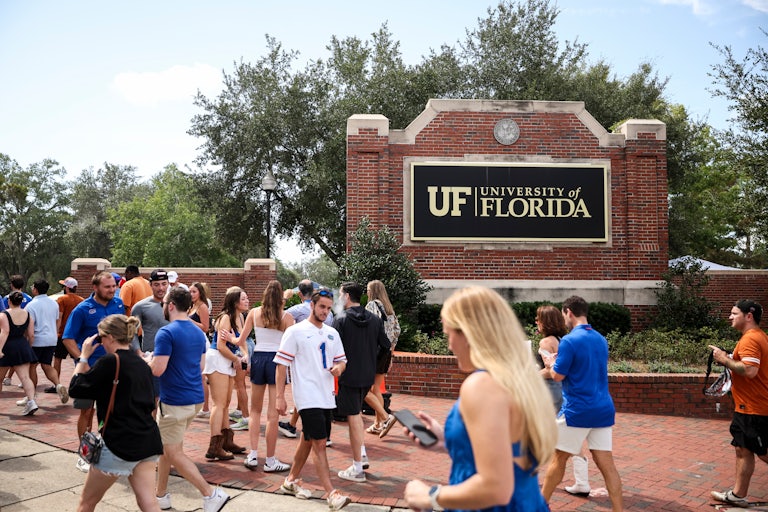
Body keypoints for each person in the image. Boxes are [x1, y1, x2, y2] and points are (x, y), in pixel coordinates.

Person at [403, 286, 556, 511]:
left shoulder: (481, 385)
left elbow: (496, 487)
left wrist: (430, 496)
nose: (449, 345)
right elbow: (504, 452)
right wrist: (447, 441)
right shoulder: (516, 381)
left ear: (468, 333)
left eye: (449, 334)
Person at [68, 314, 163, 512]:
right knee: (149, 503)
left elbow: (76, 388)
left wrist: (83, 356)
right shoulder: (143, 364)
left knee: (87, 502)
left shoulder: (109, 362)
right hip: (147, 440)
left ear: (110, 337)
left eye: (101, 337)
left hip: (118, 443)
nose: (100, 342)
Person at [540, 295, 624, 512]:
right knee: (608, 467)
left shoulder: (569, 340)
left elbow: (557, 376)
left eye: (563, 314)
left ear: (568, 311)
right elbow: (586, 367)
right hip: (603, 409)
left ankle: (540, 505)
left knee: (559, 459)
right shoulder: (600, 339)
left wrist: (550, 364)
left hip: (577, 410)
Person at [150, 287, 230, 512]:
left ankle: (210, 494)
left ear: (172, 305)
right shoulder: (198, 333)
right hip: (194, 399)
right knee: (169, 448)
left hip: (174, 401)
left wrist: (146, 360)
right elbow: (201, 366)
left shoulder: (166, 333)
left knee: (173, 452)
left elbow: (158, 370)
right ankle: (161, 495)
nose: (163, 306)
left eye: (165, 303)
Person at [274, 288, 351, 510]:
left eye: (328, 307)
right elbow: (281, 365)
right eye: (321, 307)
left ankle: (290, 481)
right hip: (306, 396)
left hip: (326, 395)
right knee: (319, 443)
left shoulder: (332, 333)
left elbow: (342, 361)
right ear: (312, 305)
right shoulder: (295, 331)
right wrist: (280, 397)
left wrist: (339, 368)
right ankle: (331, 493)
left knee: (308, 438)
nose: (325, 311)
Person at [62, 271, 124, 473]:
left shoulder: (118, 305)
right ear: (95, 287)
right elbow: (68, 339)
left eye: (114, 286)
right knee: (86, 412)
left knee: (111, 411)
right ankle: (85, 453)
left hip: (113, 368)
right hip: (90, 370)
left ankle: (108, 451)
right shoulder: (82, 309)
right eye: (107, 287)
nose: (112, 290)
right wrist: (83, 359)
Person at [709, 299, 768, 507]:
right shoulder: (754, 337)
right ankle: (738, 494)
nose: (730, 317)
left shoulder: (751, 339)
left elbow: (750, 371)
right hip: (748, 406)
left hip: (754, 408)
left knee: (762, 452)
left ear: (748, 316)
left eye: (734, 313)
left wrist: (725, 360)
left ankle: (738, 494)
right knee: (743, 449)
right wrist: (728, 356)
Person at [231, 280, 294, 472]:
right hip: (278, 361)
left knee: (255, 410)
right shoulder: (287, 317)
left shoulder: (254, 313)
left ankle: (252, 455)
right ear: (281, 297)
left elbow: (240, 340)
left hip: (258, 358)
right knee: (272, 414)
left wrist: (229, 338)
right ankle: (270, 460)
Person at [332, 281, 390, 483]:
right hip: (367, 374)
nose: (339, 298)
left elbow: (332, 346)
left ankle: (357, 467)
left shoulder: (340, 319)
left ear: (347, 296)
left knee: (354, 416)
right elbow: (386, 345)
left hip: (348, 373)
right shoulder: (374, 319)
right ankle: (361, 454)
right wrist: (372, 361)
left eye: (341, 294)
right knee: (355, 414)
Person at [536, 304, 591, 496]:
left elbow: (550, 372)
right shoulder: (563, 340)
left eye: (538, 318)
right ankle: (582, 482)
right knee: (569, 439)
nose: (536, 322)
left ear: (545, 322)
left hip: (550, 394)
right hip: (564, 392)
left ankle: (527, 475)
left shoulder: (545, 343)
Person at [279, 279, 334, 439]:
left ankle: (296, 426)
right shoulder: (328, 316)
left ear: (300, 294)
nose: (325, 311)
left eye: (327, 308)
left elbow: (278, 317)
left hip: (305, 359)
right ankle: (298, 426)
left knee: (307, 391)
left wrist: (285, 298)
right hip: (324, 363)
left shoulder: (296, 310)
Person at [202, 286, 249, 461]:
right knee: (219, 404)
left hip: (229, 360)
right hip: (218, 359)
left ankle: (227, 441)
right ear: (235, 301)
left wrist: (244, 355)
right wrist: (236, 359)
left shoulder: (240, 318)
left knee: (226, 403)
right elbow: (221, 346)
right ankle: (214, 446)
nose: (247, 301)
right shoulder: (225, 318)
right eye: (243, 298)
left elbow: (242, 341)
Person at [363, 279, 399, 438]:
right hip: (386, 351)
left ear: (372, 291)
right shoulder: (389, 308)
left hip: (374, 351)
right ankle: (378, 424)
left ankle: (384, 418)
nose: (366, 293)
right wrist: (391, 353)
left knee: (368, 389)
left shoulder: (372, 306)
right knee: (376, 388)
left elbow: (371, 327)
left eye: (368, 290)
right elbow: (397, 330)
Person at [25, 279, 69, 405]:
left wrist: (29, 341)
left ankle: (31, 395)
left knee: (32, 366)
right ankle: (58, 384)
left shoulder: (31, 306)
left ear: (35, 289)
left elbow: (30, 327)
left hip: (37, 339)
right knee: (46, 365)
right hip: (51, 338)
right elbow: (56, 321)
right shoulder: (54, 303)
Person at [0, 291, 39, 415]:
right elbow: (31, 334)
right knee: (25, 377)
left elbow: (4, 332)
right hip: (22, 345)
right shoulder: (28, 314)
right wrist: (29, 347)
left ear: (9, 301)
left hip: (7, 346)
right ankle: (32, 401)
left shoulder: (4, 315)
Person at [52, 277, 83, 383]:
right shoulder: (81, 300)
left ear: (67, 288)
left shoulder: (61, 299)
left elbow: (59, 317)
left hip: (63, 334)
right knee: (78, 358)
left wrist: (55, 333)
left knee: (57, 359)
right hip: (76, 335)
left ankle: (56, 383)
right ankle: (79, 381)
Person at [189, 282, 212, 418]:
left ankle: (206, 408)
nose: (191, 294)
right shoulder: (191, 306)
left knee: (202, 376)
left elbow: (205, 327)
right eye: (190, 292)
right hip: (190, 341)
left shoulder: (202, 306)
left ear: (200, 293)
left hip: (200, 341)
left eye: (194, 292)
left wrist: (189, 320)